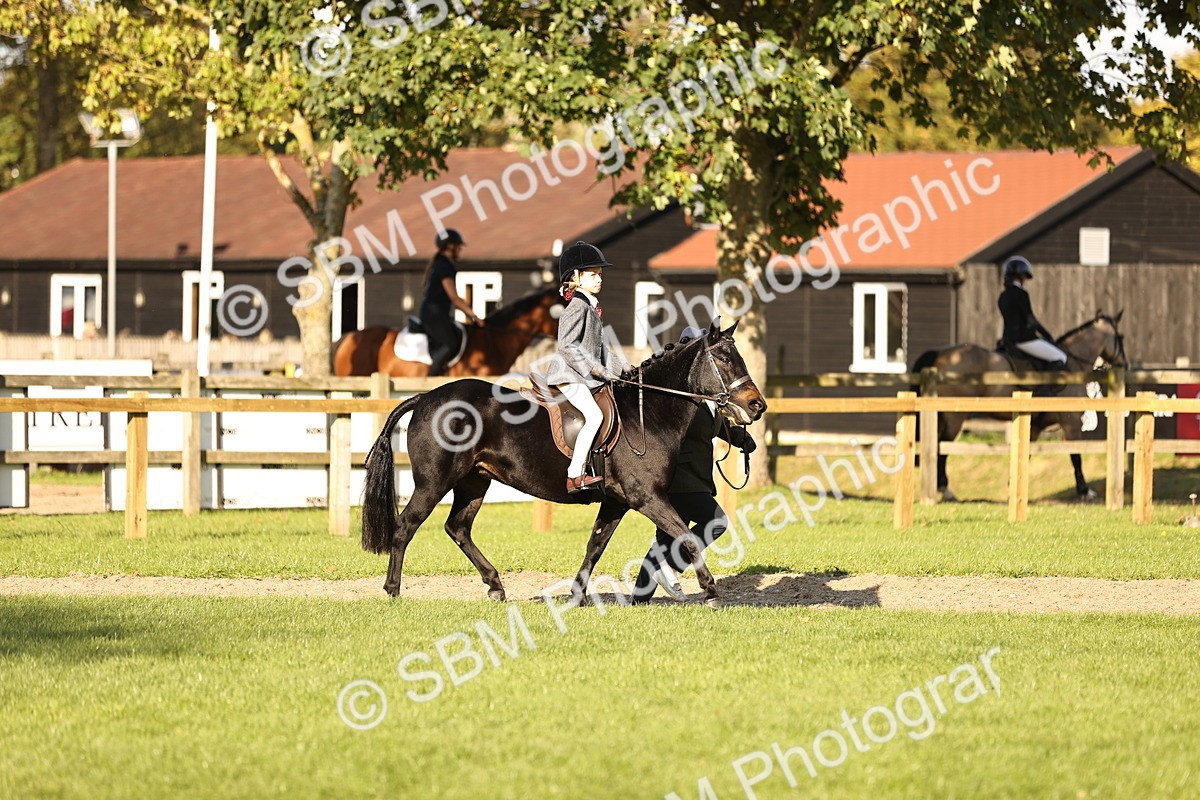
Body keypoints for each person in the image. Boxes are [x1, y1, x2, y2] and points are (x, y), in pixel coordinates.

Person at [631, 328, 757, 603]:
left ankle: (638, 599)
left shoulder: (709, 399)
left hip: (697, 477)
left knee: (665, 542)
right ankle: (673, 568)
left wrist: (738, 437)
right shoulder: (682, 401)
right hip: (681, 478)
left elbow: (716, 426)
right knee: (715, 522)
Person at [542, 241, 632, 493]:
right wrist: (595, 369)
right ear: (576, 278)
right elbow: (567, 346)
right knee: (594, 416)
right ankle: (575, 475)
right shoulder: (577, 307)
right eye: (592, 275)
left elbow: (601, 350)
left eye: (600, 275)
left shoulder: (591, 308)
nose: (599, 279)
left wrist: (627, 368)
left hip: (582, 375)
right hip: (569, 374)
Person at [420, 229, 483, 376]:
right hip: (434, 315)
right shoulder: (443, 266)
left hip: (438, 314)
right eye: (458, 247)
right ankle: (430, 378)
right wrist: (474, 316)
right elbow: (454, 298)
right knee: (450, 343)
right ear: (450, 246)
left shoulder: (441, 264)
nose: (460, 250)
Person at [997, 256, 1067, 366]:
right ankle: (1047, 383)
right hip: (1024, 340)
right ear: (1021, 276)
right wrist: (1048, 336)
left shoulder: (1002, 296)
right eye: (1024, 277)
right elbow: (1030, 319)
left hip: (1007, 340)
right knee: (1060, 357)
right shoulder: (1021, 294)